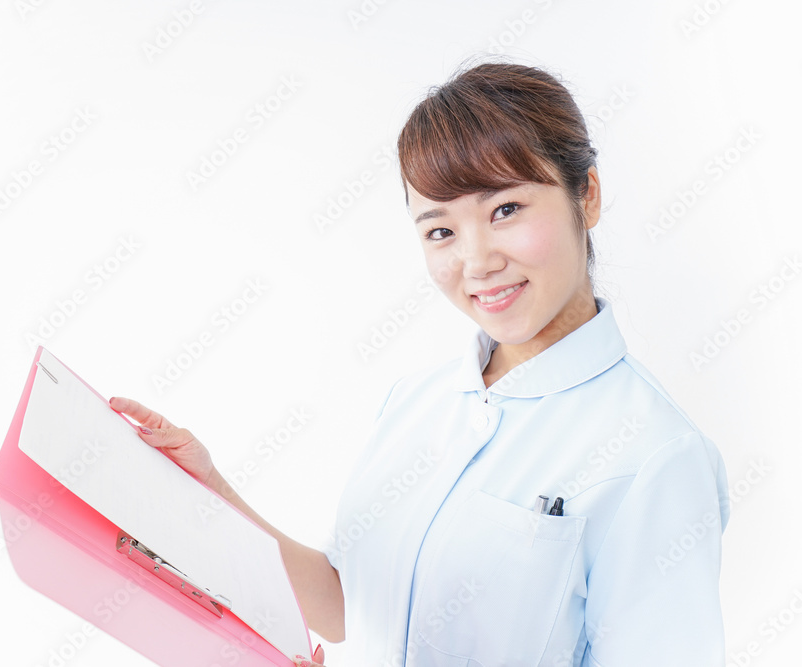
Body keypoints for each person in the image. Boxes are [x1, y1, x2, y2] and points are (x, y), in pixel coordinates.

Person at [109, 61, 730, 667]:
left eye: (505, 210)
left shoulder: (657, 454)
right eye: (441, 232)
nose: (477, 261)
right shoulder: (416, 401)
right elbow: (350, 607)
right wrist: (209, 490)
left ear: (586, 195)